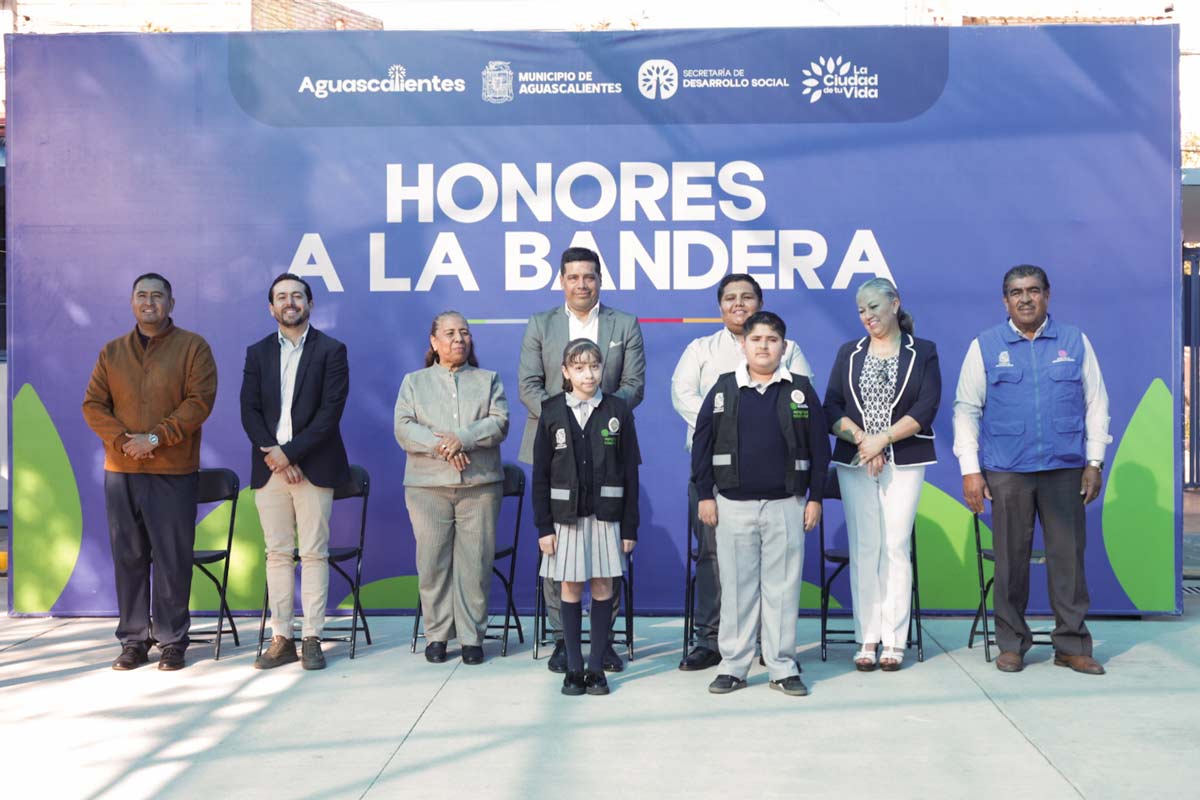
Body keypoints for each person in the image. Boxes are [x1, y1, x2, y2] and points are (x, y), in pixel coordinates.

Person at [953, 265, 1110, 675]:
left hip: (1064, 469)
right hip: (1007, 471)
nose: (1025, 298)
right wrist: (971, 470)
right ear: (1005, 300)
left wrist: (1094, 461)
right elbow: (966, 409)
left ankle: (1071, 645)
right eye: (1016, 292)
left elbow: (1096, 403)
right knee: (1010, 562)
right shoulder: (985, 346)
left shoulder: (1074, 341)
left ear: (1047, 295)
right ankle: (1011, 644)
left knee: (1068, 561)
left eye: (1033, 290)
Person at [671, 273, 813, 671]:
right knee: (713, 557)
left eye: (747, 297)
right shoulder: (700, 349)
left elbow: (802, 399)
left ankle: (770, 645)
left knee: (772, 565)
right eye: (730, 297)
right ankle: (712, 640)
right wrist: (724, 432)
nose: (739, 304)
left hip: (775, 478)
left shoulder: (789, 349)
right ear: (720, 306)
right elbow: (682, 394)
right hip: (715, 475)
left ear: (760, 303)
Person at [518, 246, 645, 673]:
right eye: (573, 277)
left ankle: (602, 645)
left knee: (607, 558)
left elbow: (634, 384)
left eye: (589, 276)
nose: (581, 284)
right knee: (561, 558)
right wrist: (564, 419)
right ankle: (563, 639)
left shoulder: (624, 324)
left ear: (599, 279)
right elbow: (528, 384)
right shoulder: (540, 324)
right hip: (556, 447)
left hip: (607, 446)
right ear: (562, 281)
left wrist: (600, 413)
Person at [83, 273, 218, 671]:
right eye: (141, 295)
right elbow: (93, 404)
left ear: (171, 304)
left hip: (173, 471)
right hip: (121, 470)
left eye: (157, 296)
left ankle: (172, 640)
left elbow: (199, 402)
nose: (149, 302)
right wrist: (122, 440)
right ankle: (134, 641)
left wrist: (156, 438)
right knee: (129, 556)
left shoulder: (193, 347)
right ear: (132, 303)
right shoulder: (112, 352)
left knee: (172, 558)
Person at [691, 311, 829, 697]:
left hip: (787, 504)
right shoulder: (723, 388)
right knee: (737, 589)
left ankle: (781, 666)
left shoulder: (800, 389)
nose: (764, 346)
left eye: (772, 340)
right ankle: (733, 666)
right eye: (756, 339)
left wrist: (815, 497)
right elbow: (702, 444)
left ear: (784, 347)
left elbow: (820, 447)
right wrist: (705, 494)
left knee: (782, 589)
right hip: (733, 505)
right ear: (744, 345)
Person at [823, 278, 940, 672]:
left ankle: (894, 639)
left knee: (894, 545)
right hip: (856, 460)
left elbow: (926, 406)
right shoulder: (849, 352)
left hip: (904, 459)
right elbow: (831, 406)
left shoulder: (923, 351)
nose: (867, 316)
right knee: (864, 547)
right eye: (861, 310)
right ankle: (867, 637)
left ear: (895, 304)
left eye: (874, 306)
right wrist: (863, 441)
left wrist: (883, 440)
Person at [241, 273, 351, 671]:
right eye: (282, 297)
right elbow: (249, 409)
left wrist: (290, 454)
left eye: (297, 296)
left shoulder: (332, 350)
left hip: (314, 466)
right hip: (269, 468)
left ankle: (312, 638)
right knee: (277, 554)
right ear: (271, 307)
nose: (290, 302)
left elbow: (329, 413)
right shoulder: (257, 353)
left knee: (314, 553)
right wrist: (275, 455)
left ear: (310, 303)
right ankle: (282, 638)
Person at [395, 311, 510, 666]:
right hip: (427, 488)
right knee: (432, 563)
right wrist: (443, 446)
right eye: (449, 333)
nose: (459, 339)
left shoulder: (488, 380)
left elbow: (499, 422)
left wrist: (463, 438)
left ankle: (472, 637)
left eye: (464, 332)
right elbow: (403, 428)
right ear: (433, 341)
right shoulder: (414, 382)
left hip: (479, 486)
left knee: (475, 564)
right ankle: (438, 635)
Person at [532, 339, 640, 696]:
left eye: (594, 366)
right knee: (570, 587)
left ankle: (596, 668)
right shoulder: (551, 411)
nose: (588, 374)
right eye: (579, 368)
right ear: (566, 372)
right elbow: (540, 475)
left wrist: (629, 526)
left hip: (606, 518)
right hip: (565, 520)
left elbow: (630, 472)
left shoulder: (617, 410)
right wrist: (544, 526)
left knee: (603, 586)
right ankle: (574, 668)